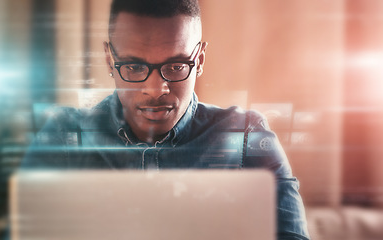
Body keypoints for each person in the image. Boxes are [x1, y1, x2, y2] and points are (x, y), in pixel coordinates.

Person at [22, 0, 310, 239]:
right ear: (110, 60)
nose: (155, 89)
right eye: (134, 66)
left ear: (200, 60)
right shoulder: (64, 138)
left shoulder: (246, 138)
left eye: (175, 66)